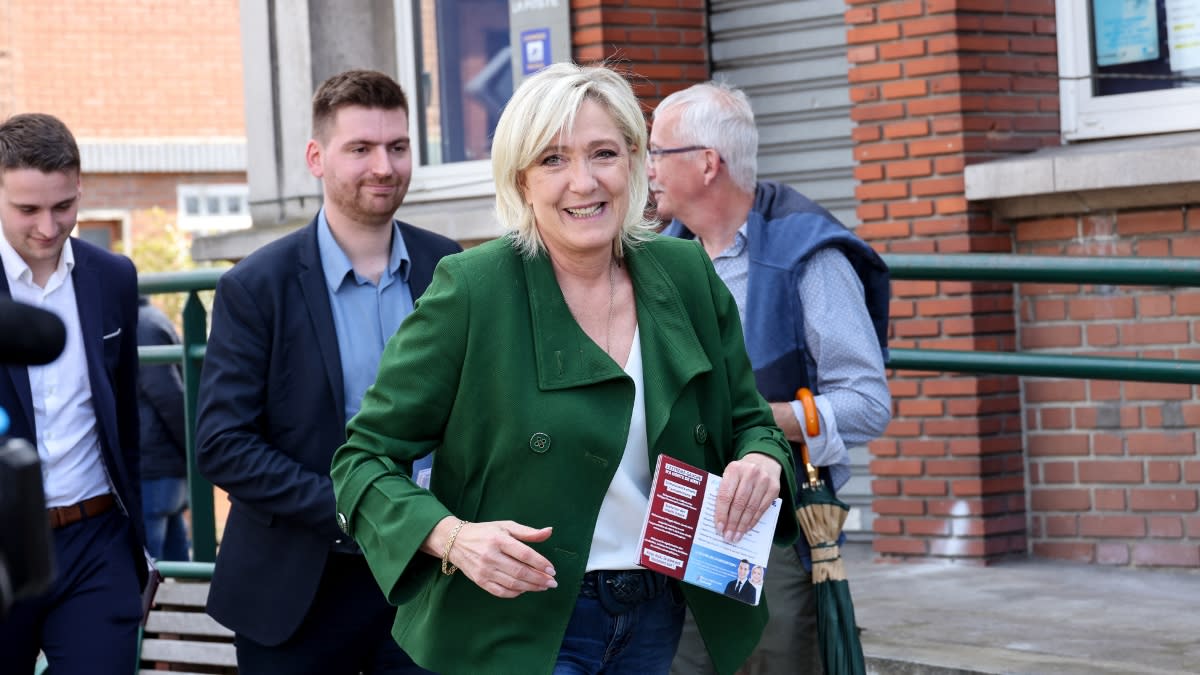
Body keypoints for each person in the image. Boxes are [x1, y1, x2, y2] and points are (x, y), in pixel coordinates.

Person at [330, 62, 798, 675]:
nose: (583, 181)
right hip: (516, 622)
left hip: (657, 614)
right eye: (552, 160)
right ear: (521, 181)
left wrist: (762, 460)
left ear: (633, 161)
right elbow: (361, 462)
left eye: (603, 153)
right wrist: (450, 537)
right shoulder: (472, 289)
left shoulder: (686, 275)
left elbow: (750, 421)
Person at [194, 69, 461, 675]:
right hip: (297, 588)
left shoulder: (449, 266)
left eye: (397, 146)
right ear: (316, 157)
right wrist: (358, 507)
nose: (384, 166)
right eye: (360, 148)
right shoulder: (255, 286)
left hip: (425, 583)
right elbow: (223, 446)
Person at [651, 81, 892, 674]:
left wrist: (761, 422)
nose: (645, 167)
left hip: (775, 519)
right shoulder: (655, 258)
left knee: (775, 661)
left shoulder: (808, 255)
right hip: (676, 511)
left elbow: (866, 402)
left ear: (707, 163)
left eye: (656, 152)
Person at [0, 113, 148, 673]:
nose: (48, 225)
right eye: (27, 210)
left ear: (80, 188)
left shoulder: (112, 276)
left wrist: (136, 546)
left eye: (63, 207)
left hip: (96, 540)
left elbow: (123, 419)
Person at [137, 295, 191, 561]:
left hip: (153, 463)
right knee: (175, 558)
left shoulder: (141, 326)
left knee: (149, 567)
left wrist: (192, 448)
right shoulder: (150, 319)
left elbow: (168, 396)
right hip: (165, 461)